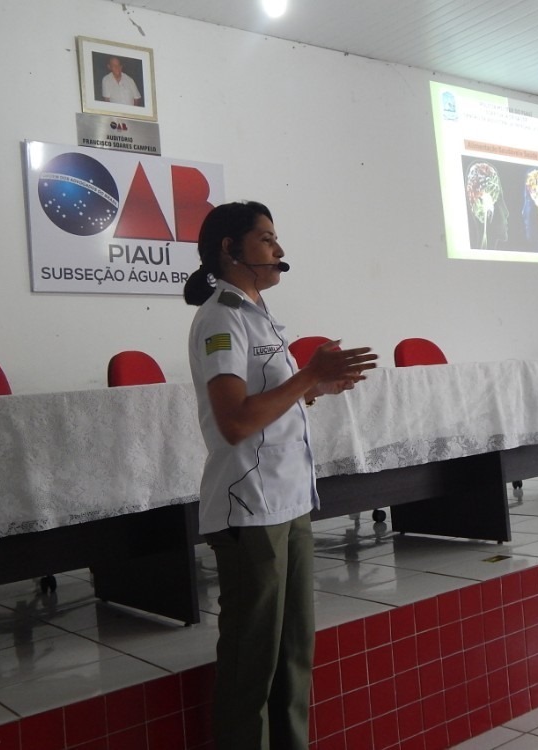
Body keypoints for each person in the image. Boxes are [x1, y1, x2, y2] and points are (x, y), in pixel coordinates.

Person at [183, 201, 377, 749]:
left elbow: (270, 405)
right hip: (250, 508)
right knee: (252, 663)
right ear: (230, 248)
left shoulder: (258, 313)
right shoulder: (220, 318)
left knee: (294, 655)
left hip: (289, 500)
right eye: (266, 239)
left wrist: (317, 387)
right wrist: (308, 375)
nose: (279, 250)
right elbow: (235, 421)